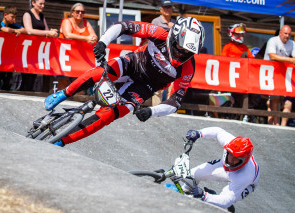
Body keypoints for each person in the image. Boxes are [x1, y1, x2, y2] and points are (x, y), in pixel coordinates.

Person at [44, 17, 205, 147]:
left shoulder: (188, 69)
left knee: (108, 116)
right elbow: (124, 26)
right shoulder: (160, 33)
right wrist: (103, 42)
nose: (181, 54)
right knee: (101, 72)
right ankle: (63, 94)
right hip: (132, 65)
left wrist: (152, 111)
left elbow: (175, 102)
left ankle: (62, 141)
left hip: (144, 88)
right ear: (174, 37)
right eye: (180, 47)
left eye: (188, 52)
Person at [185, 127, 259, 212]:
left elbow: (225, 201)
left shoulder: (245, 176)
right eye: (230, 154)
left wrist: (204, 196)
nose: (231, 160)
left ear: (244, 161)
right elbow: (217, 132)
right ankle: (185, 190)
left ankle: (228, 208)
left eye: (236, 158)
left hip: (247, 184)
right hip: (225, 168)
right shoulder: (232, 142)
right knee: (193, 174)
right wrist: (199, 133)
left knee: (222, 204)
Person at [264, 25, 295, 126]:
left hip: (283, 76)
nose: (287, 36)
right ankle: (275, 124)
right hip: (269, 75)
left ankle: (282, 126)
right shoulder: (273, 41)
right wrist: (290, 60)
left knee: (287, 102)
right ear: (280, 33)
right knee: (273, 100)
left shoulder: (292, 43)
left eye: (289, 34)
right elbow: (272, 56)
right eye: (285, 33)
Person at [58, 3, 98, 92]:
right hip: (66, 57)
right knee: (63, 83)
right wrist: (86, 38)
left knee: (78, 84)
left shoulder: (85, 22)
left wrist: (92, 39)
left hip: (80, 60)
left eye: (82, 12)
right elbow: (68, 35)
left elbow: (94, 36)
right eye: (77, 11)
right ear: (72, 12)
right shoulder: (67, 21)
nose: (80, 13)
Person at [22, 0, 58, 92]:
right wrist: (47, 32)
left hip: (38, 51)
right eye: (40, 4)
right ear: (33, 3)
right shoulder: (27, 14)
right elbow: (29, 31)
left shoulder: (42, 16)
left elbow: (46, 31)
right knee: (27, 78)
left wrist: (51, 31)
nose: (42, 6)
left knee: (34, 77)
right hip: (27, 49)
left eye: (44, 4)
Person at [222, 23, 255, 121]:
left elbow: (252, 60)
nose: (240, 36)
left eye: (241, 34)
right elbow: (223, 61)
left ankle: (243, 116)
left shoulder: (244, 48)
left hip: (242, 78)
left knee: (245, 97)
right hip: (230, 78)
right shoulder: (228, 47)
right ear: (231, 34)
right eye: (237, 34)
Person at [0, 6, 26, 90]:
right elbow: (5, 29)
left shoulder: (13, 25)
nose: (14, 19)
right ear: (5, 15)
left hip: (8, 57)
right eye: (12, 17)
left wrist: (17, 30)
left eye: (15, 17)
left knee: (8, 82)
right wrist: (15, 31)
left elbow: (25, 30)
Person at [150, 0, 176, 106]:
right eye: (165, 7)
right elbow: (152, 38)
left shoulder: (175, 23)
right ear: (161, 9)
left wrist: (173, 28)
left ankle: (170, 108)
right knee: (157, 86)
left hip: (172, 58)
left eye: (169, 7)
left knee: (172, 85)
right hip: (158, 56)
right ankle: (156, 109)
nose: (167, 9)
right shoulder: (155, 22)